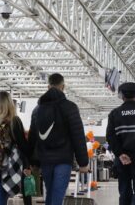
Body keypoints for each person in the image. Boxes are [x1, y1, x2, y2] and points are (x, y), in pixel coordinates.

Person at [29, 73, 89, 205]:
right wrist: (83, 162)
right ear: (63, 86)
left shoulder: (37, 110)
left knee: (50, 192)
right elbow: (78, 135)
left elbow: (33, 137)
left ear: (48, 86)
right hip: (63, 159)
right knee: (57, 194)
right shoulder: (70, 107)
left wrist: (32, 161)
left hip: (45, 159)